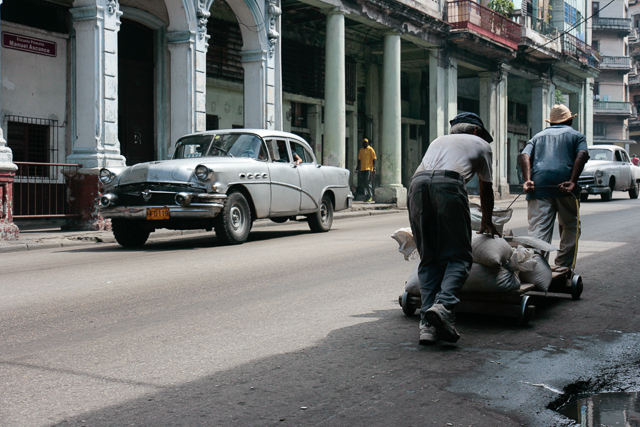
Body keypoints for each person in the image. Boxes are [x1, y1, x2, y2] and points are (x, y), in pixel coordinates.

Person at [408, 112, 500, 345]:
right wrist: (487, 221)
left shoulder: (438, 140)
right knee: (459, 257)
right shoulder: (481, 145)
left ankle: (427, 326)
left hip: (417, 185)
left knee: (429, 258)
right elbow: (485, 188)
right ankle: (444, 306)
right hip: (448, 184)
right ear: (477, 131)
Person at [517, 104, 589, 271]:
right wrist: (573, 180)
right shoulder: (577, 136)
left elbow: (524, 155)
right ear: (570, 120)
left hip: (539, 186)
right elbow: (583, 154)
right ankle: (563, 267)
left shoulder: (537, 137)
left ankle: (535, 269)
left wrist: (527, 180)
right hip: (565, 187)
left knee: (538, 231)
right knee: (570, 227)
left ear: (551, 122)